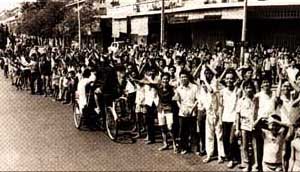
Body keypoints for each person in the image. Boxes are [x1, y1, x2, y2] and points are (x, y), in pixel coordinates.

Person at [173, 70, 198, 154]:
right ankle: (184, 148)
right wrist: (182, 109)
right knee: (183, 131)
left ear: (188, 77)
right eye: (182, 77)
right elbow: (177, 101)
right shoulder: (178, 89)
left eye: (185, 77)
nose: (183, 79)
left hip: (192, 111)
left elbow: (197, 100)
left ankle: (194, 148)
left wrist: (192, 109)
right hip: (182, 112)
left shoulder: (194, 87)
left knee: (193, 131)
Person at [235, 81, 258, 171]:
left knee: (254, 146)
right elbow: (237, 115)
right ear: (244, 89)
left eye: (250, 87)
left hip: (254, 125)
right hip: (244, 125)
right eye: (247, 88)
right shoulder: (241, 101)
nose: (249, 89)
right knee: (244, 146)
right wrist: (237, 128)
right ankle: (246, 164)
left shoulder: (256, 99)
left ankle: (255, 165)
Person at [157, 72, 176, 152]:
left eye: (167, 79)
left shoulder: (172, 88)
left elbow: (175, 97)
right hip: (160, 110)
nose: (165, 80)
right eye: (164, 79)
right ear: (161, 80)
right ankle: (165, 143)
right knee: (162, 128)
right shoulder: (158, 87)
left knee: (170, 127)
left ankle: (175, 144)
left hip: (169, 110)